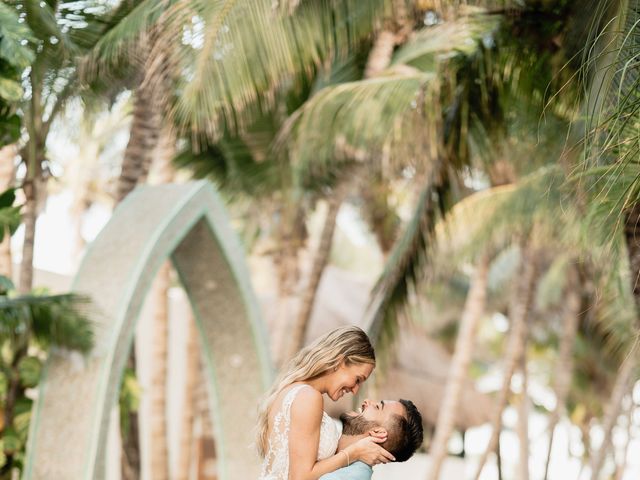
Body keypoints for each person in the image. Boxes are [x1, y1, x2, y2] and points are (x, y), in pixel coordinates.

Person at [257, 326, 395, 480]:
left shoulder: (294, 391)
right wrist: (355, 452)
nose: (355, 390)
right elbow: (300, 477)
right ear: (340, 361)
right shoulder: (308, 397)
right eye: (358, 379)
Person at [319, 398, 424, 479]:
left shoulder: (353, 476)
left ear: (378, 432)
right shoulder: (328, 438)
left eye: (378, 407)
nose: (367, 401)